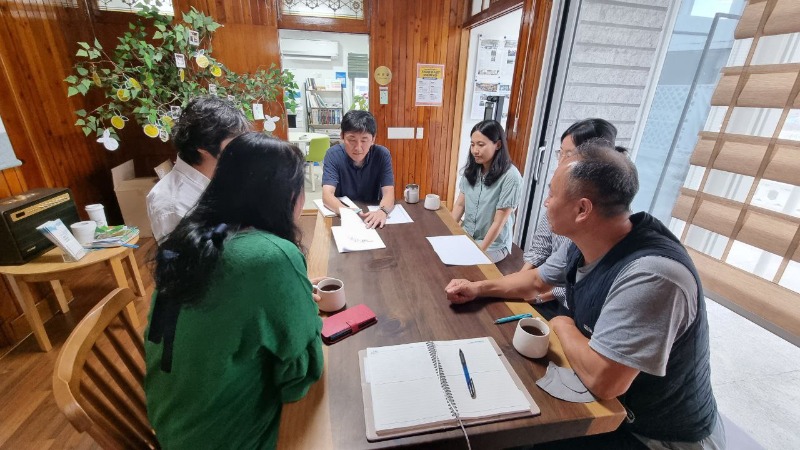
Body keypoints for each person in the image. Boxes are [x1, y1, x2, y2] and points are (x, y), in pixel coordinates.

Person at [445, 140, 723, 449]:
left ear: (582, 209)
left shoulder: (653, 276)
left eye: (552, 193)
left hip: (653, 434)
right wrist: (477, 288)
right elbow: (536, 281)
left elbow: (605, 381)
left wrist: (563, 324)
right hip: (610, 408)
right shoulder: (587, 238)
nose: (546, 203)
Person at [145, 133, 323, 450]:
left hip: (175, 427)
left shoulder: (187, 237)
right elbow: (298, 379)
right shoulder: (271, 256)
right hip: (232, 437)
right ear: (287, 196)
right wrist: (305, 312)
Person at [521, 118, 618, 319]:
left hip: (570, 307)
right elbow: (541, 247)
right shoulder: (562, 192)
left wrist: (540, 295)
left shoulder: (603, 217)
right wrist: (522, 281)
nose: (561, 161)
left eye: (569, 154)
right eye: (561, 153)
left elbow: (585, 280)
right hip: (544, 286)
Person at [146, 96, 251, 242]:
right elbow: (182, 261)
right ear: (204, 147)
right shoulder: (171, 203)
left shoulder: (224, 173)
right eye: (235, 142)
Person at [451, 120, 522, 263]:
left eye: (481, 145)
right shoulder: (472, 170)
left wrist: (479, 252)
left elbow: (499, 222)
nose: (475, 150)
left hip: (492, 245)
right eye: (472, 144)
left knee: (460, 264)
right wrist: (448, 234)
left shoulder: (511, 176)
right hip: (469, 236)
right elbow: (460, 205)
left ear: (498, 145)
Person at [321, 110, 395, 228]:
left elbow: (388, 192)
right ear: (342, 136)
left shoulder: (382, 154)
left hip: (372, 212)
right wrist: (347, 212)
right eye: (352, 140)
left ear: (373, 139)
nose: (358, 147)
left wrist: (382, 212)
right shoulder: (333, 154)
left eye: (364, 140)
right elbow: (327, 195)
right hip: (341, 211)